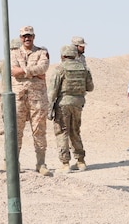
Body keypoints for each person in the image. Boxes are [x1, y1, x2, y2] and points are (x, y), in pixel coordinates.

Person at [11, 25, 51, 175]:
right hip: (19, 98)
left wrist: (23, 71)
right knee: (16, 131)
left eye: (29, 36)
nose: (27, 38)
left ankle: (41, 163)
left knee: (39, 131)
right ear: (20, 38)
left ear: (34, 37)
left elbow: (43, 68)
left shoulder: (42, 52)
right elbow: (12, 71)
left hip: (38, 98)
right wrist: (34, 73)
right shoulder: (13, 53)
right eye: (24, 36)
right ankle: (15, 162)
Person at [48, 44, 95, 172]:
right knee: (75, 131)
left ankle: (65, 163)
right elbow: (90, 87)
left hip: (63, 104)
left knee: (62, 132)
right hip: (78, 103)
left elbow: (52, 91)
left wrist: (49, 108)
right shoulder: (84, 68)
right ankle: (80, 161)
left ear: (62, 56)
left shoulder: (60, 69)